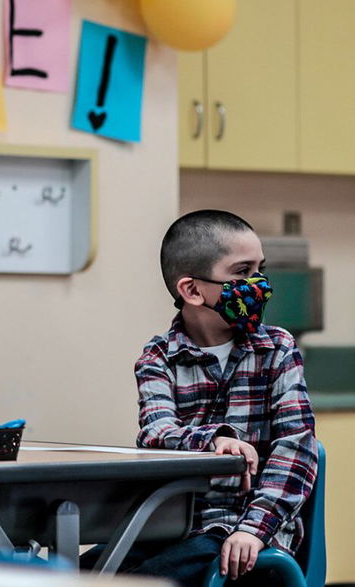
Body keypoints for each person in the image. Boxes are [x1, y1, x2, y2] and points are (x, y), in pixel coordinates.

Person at [111, 210, 318, 585]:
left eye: (260, 269)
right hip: (172, 527)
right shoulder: (158, 358)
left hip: (249, 531)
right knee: (88, 568)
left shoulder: (278, 349)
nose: (257, 284)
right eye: (242, 273)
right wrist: (214, 440)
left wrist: (253, 529)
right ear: (191, 290)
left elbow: (297, 450)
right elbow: (155, 434)